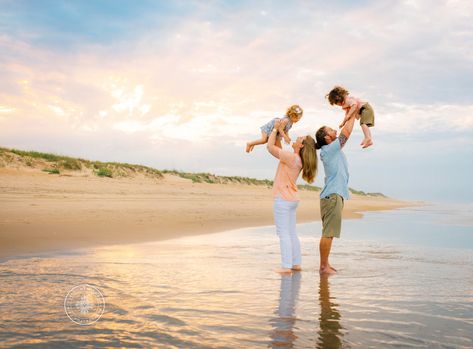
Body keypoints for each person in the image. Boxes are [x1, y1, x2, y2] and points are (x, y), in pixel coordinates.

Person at [267, 119, 317, 274]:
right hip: (291, 199)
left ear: (301, 146)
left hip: (283, 198)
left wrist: (275, 129)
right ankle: (295, 263)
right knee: (291, 232)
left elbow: (270, 148)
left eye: (299, 139)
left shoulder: (292, 158)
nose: (296, 139)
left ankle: (286, 266)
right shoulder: (297, 159)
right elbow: (278, 149)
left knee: (283, 233)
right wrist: (281, 134)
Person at [314, 115, 357, 274]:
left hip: (333, 195)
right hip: (332, 196)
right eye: (331, 130)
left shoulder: (330, 150)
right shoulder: (330, 149)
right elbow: (346, 133)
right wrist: (353, 114)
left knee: (329, 233)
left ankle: (325, 265)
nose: (335, 130)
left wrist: (350, 115)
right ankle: (323, 267)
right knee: (328, 233)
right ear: (327, 137)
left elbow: (344, 133)